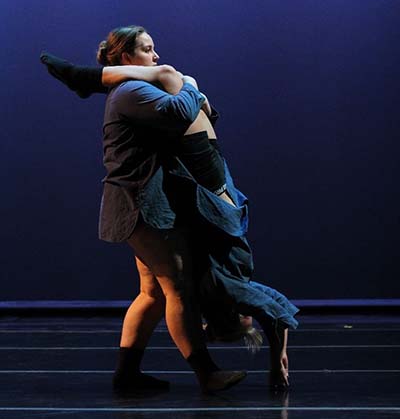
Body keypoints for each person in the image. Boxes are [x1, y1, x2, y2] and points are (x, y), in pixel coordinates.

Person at [40, 25, 299, 390]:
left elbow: (198, 116)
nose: (157, 56)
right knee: (177, 287)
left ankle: (127, 375)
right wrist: (189, 83)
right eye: (147, 49)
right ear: (126, 58)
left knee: (152, 293)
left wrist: (182, 84)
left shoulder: (135, 86)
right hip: (140, 205)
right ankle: (206, 374)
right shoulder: (131, 91)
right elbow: (180, 112)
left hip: (141, 202)